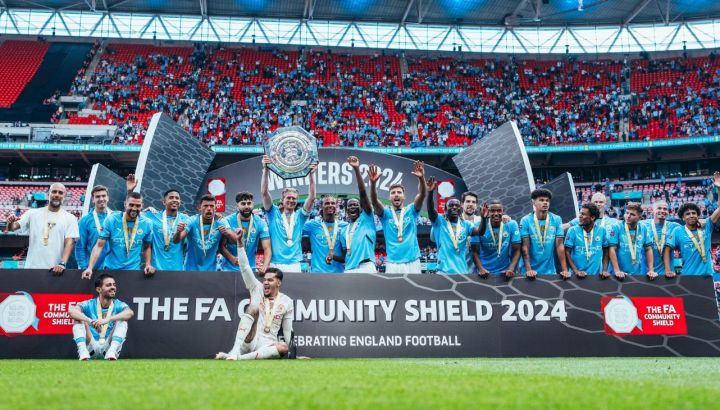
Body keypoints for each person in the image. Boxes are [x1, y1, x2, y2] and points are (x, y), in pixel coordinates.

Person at [215, 232, 293, 360]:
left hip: (267, 344)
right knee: (254, 306)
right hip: (250, 339)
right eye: (265, 280)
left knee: (284, 347)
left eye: (270, 280)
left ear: (278, 283)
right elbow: (244, 266)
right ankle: (235, 350)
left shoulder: (287, 301)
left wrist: (293, 354)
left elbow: (287, 330)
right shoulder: (257, 288)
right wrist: (239, 244)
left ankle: (237, 358)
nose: (266, 283)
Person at [261, 155, 317, 273]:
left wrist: (312, 175)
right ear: (282, 199)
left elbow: (311, 198)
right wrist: (265, 169)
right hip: (275, 262)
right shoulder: (273, 213)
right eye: (289, 198)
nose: (291, 200)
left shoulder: (300, 216)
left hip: (294, 264)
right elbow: (265, 193)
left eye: (294, 199)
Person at [370, 160, 427, 274]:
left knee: (415, 291)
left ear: (404, 196)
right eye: (393, 192)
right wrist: (373, 184)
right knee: (394, 292)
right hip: (393, 263)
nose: (396, 194)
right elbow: (374, 201)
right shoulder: (385, 214)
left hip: (413, 261)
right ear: (390, 197)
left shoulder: (411, 210)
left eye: (399, 192)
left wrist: (421, 178)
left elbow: (422, 195)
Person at [6, 183, 79, 272]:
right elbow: (12, 228)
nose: (57, 195)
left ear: (64, 196)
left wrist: (62, 263)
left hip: (55, 269)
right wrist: (10, 222)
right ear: (48, 194)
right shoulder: (32, 213)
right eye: (54, 192)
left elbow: (69, 243)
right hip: (32, 268)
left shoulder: (70, 218)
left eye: (60, 193)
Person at [82, 192, 154, 278]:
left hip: (133, 269)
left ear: (142, 206)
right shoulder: (112, 219)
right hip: (111, 268)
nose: (134, 208)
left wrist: (148, 264)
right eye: (131, 205)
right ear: (125, 204)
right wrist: (90, 268)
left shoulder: (147, 223)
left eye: (138, 206)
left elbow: (147, 247)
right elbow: (99, 245)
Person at [664, 172, 720, 278]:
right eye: (688, 214)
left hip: (707, 276)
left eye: (694, 213)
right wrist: (668, 270)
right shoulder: (678, 231)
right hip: (688, 277)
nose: (691, 216)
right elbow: (667, 249)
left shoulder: (707, 225)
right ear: (683, 217)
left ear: (698, 215)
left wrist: (719, 188)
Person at [69, 273, 134, 360]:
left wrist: (108, 319)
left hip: (109, 347)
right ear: (99, 289)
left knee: (122, 319)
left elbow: (130, 313)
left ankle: (112, 351)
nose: (113, 287)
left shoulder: (118, 304)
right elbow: (71, 311)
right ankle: (82, 351)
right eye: (108, 285)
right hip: (91, 346)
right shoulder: (89, 303)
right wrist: (90, 321)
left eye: (114, 285)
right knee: (78, 318)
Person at [426, 178, 481, 275]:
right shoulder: (440, 221)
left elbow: (482, 231)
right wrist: (430, 193)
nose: (454, 207)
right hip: (446, 270)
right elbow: (431, 211)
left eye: (473, 202)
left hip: (468, 270)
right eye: (468, 201)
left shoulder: (472, 223)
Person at [337, 156, 377, 274]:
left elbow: (363, 194)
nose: (352, 207)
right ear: (346, 211)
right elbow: (345, 255)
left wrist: (356, 170)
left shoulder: (367, 219)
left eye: (355, 204)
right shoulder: (344, 230)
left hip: (366, 266)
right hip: (349, 269)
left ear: (361, 209)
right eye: (349, 205)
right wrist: (331, 256)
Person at [175, 195, 235, 271]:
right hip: (190, 270)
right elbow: (177, 240)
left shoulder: (221, 222)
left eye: (211, 206)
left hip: (211, 270)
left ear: (215, 208)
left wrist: (227, 233)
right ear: (199, 207)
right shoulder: (192, 220)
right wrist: (178, 232)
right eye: (205, 206)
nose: (209, 208)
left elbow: (235, 240)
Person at [520, 188, 569, 278]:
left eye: (547, 200)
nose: (545, 203)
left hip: (549, 271)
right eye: (541, 200)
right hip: (528, 271)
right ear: (533, 202)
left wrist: (565, 270)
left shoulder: (556, 219)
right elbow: (525, 247)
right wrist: (529, 270)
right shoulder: (526, 220)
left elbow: (559, 245)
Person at [220, 191, 271, 273]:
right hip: (229, 269)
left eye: (249, 203)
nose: (246, 206)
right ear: (237, 206)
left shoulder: (260, 223)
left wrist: (265, 266)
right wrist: (231, 258)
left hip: (250, 269)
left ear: (253, 204)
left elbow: (267, 248)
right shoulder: (228, 221)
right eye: (243, 204)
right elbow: (221, 246)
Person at [143, 189, 191, 271]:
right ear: (164, 202)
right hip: (156, 269)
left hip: (177, 269)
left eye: (177, 198)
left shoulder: (185, 218)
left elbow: (178, 240)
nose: (174, 200)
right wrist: (144, 210)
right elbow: (132, 216)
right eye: (171, 197)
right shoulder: (153, 215)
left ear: (180, 202)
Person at [474, 200, 521, 278]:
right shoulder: (478, 225)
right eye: (492, 211)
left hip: (505, 272)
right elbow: (475, 251)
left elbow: (517, 250)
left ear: (503, 211)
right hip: (484, 273)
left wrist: (511, 269)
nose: (496, 213)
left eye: (499, 210)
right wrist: (481, 269)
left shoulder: (511, 224)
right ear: (488, 212)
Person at [608, 202, 655, 279]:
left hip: (636, 274)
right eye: (627, 213)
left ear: (639, 217)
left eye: (632, 214)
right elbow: (612, 249)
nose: (628, 216)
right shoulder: (616, 227)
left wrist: (651, 270)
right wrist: (617, 271)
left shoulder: (643, 228)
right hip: (617, 274)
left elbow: (648, 249)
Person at [303, 195, 346, 273]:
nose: (330, 205)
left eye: (333, 203)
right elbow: (295, 229)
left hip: (338, 273)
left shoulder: (344, 226)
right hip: (317, 272)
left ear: (336, 207)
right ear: (321, 207)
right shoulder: (312, 225)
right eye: (327, 203)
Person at [564, 203, 609, 278]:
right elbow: (567, 252)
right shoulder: (572, 230)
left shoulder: (602, 230)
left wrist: (604, 270)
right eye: (580, 213)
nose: (580, 216)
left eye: (583, 214)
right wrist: (576, 271)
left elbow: (606, 251)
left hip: (596, 276)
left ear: (592, 217)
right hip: (576, 276)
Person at [639, 200, 681, 277]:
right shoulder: (642, 225)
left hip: (667, 273)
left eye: (665, 209)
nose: (662, 211)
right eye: (659, 208)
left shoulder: (675, 227)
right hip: (645, 272)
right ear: (652, 210)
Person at [76, 185, 112, 271]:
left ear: (108, 198)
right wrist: (84, 267)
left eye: (103, 196)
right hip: (93, 268)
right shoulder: (85, 220)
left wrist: (148, 210)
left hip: (113, 268)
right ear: (93, 199)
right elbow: (80, 246)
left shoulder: (115, 217)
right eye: (97, 196)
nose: (101, 199)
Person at [460, 191, 483, 273]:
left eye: (473, 202)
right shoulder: (456, 222)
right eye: (468, 201)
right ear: (462, 204)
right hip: (460, 268)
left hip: (479, 269)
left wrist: (505, 217)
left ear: (476, 206)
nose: (471, 204)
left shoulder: (481, 221)